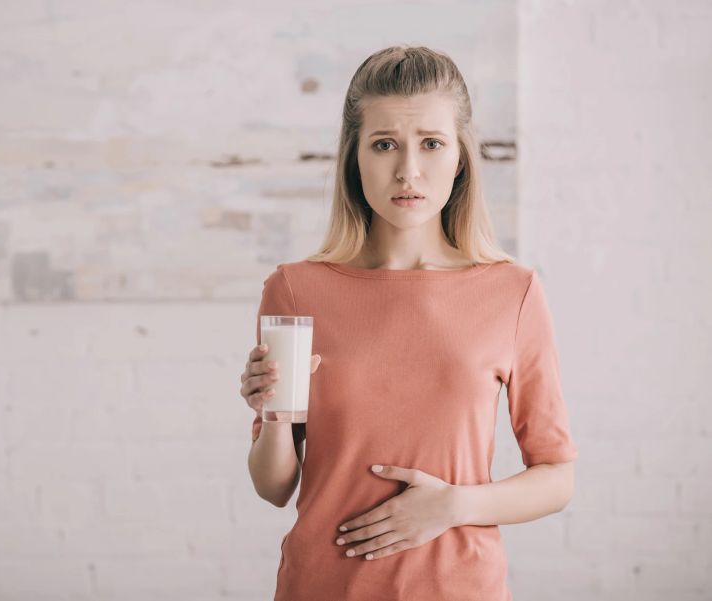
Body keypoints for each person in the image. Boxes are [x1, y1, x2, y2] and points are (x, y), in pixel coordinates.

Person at [239, 45, 578, 600]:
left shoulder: (512, 292)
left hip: (459, 587)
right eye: (384, 145)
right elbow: (274, 487)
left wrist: (454, 504)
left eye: (432, 144)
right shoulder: (295, 288)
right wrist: (272, 416)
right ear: (355, 157)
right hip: (321, 586)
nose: (408, 171)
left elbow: (557, 478)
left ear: (461, 157)